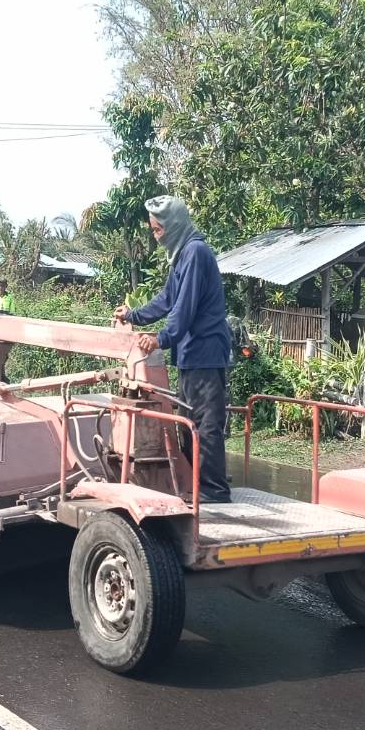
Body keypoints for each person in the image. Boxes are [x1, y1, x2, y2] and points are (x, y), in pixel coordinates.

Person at [113, 196, 234, 504]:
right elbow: (167, 299)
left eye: (158, 230)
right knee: (190, 422)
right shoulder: (182, 256)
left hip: (205, 352)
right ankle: (197, 484)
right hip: (190, 354)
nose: (156, 236)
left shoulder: (195, 253)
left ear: (174, 225)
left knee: (205, 424)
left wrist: (161, 338)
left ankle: (213, 490)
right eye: (153, 230)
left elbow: (184, 308)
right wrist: (133, 315)